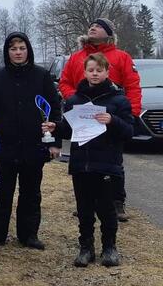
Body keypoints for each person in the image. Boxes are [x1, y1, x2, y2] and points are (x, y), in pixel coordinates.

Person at [45, 53, 132, 267]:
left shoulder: (119, 100)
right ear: (84, 72)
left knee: (106, 209)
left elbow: (129, 131)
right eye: (91, 70)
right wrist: (56, 128)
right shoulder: (75, 100)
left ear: (107, 72)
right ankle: (86, 248)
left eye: (99, 70)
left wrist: (112, 120)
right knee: (84, 209)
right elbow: (68, 129)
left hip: (106, 164)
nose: (94, 74)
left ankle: (109, 247)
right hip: (81, 164)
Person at [0, 32, 62, 250]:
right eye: (13, 48)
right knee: (0, 192)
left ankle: (29, 235)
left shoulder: (42, 76)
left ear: (28, 50)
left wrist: (54, 142)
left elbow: (54, 110)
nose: (18, 52)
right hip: (3, 147)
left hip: (34, 146)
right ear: (7, 52)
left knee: (31, 193)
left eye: (22, 48)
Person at [58, 18, 141, 222]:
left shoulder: (121, 57)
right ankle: (86, 203)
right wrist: (73, 100)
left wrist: (131, 113)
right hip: (83, 116)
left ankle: (116, 201)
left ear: (109, 33)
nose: (92, 28)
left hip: (110, 116)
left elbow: (132, 86)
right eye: (91, 26)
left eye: (99, 26)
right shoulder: (76, 57)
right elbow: (65, 82)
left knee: (113, 162)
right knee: (84, 160)